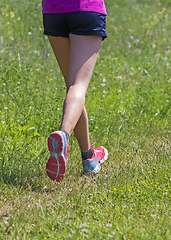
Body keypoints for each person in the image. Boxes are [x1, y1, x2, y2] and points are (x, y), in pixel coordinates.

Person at [42, 0, 109, 182]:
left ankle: (88, 157)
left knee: (72, 86)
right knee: (78, 85)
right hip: (86, 9)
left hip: (53, 12)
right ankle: (64, 135)